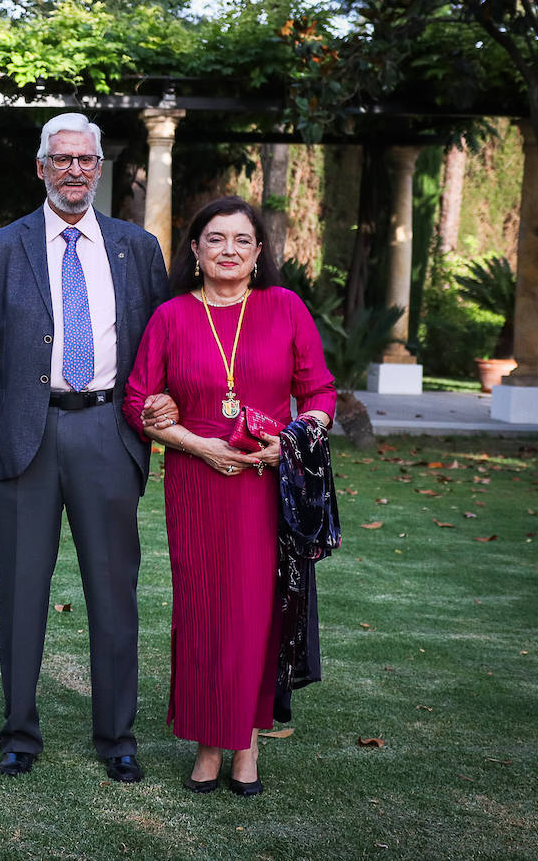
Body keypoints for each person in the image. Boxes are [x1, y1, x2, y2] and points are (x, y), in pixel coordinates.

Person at [0, 112, 173, 782]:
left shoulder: (138, 247)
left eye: (85, 159)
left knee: (114, 594)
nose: (74, 169)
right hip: (22, 438)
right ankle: (20, 731)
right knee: (20, 594)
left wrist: (167, 420)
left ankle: (117, 737)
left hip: (109, 433)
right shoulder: (1, 247)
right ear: (40, 167)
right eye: (61, 158)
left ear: (99, 168)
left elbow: (163, 349)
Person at [123, 196, 336, 797]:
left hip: (264, 486)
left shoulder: (285, 308)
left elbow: (319, 391)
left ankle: (243, 744)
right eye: (215, 240)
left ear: (259, 252)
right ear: (194, 251)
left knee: (250, 615)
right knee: (201, 611)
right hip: (196, 484)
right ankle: (205, 742)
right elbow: (139, 401)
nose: (228, 251)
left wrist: (289, 444)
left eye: (242, 241)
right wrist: (196, 443)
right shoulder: (170, 317)